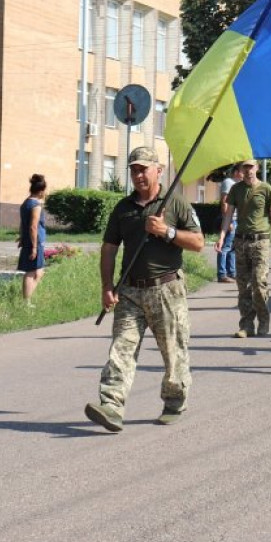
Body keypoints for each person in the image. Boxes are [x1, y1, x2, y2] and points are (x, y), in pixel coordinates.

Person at [85, 146, 205, 433]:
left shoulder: (176, 203)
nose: (138, 175)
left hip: (166, 289)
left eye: (143, 169)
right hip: (129, 291)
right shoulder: (123, 208)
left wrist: (167, 232)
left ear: (158, 171)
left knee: (173, 353)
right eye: (134, 170)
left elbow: (199, 242)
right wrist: (107, 286)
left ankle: (174, 401)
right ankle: (112, 406)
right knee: (121, 350)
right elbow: (109, 248)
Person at [216, 159, 271, 338]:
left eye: (251, 167)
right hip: (241, 241)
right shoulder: (236, 189)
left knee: (259, 284)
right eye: (245, 167)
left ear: (257, 168)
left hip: (260, 241)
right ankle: (246, 325)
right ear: (241, 169)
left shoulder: (266, 189)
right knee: (243, 286)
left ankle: (263, 319)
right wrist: (221, 237)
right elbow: (228, 215)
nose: (248, 170)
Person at [17, 174, 48, 305]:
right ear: (41, 191)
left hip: (30, 240)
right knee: (31, 273)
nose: (45, 193)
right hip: (35, 242)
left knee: (39, 272)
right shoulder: (36, 205)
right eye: (45, 191)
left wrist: (21, 236)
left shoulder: (26, 203)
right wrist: (34, 247)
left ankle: (27, 298)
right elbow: (33, 226)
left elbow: (22, 223)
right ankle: (26, 302)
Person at [216, 165, 241, 283]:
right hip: (230, 220)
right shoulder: (228, 182)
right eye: (242, 171)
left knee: (232, 248)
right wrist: (229, 220)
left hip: (236, 220)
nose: (244, 173)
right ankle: (222, 274)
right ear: (236, 172)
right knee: (225, 247)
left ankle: (232, 273)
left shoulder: (236, 184)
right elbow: (224, 202)